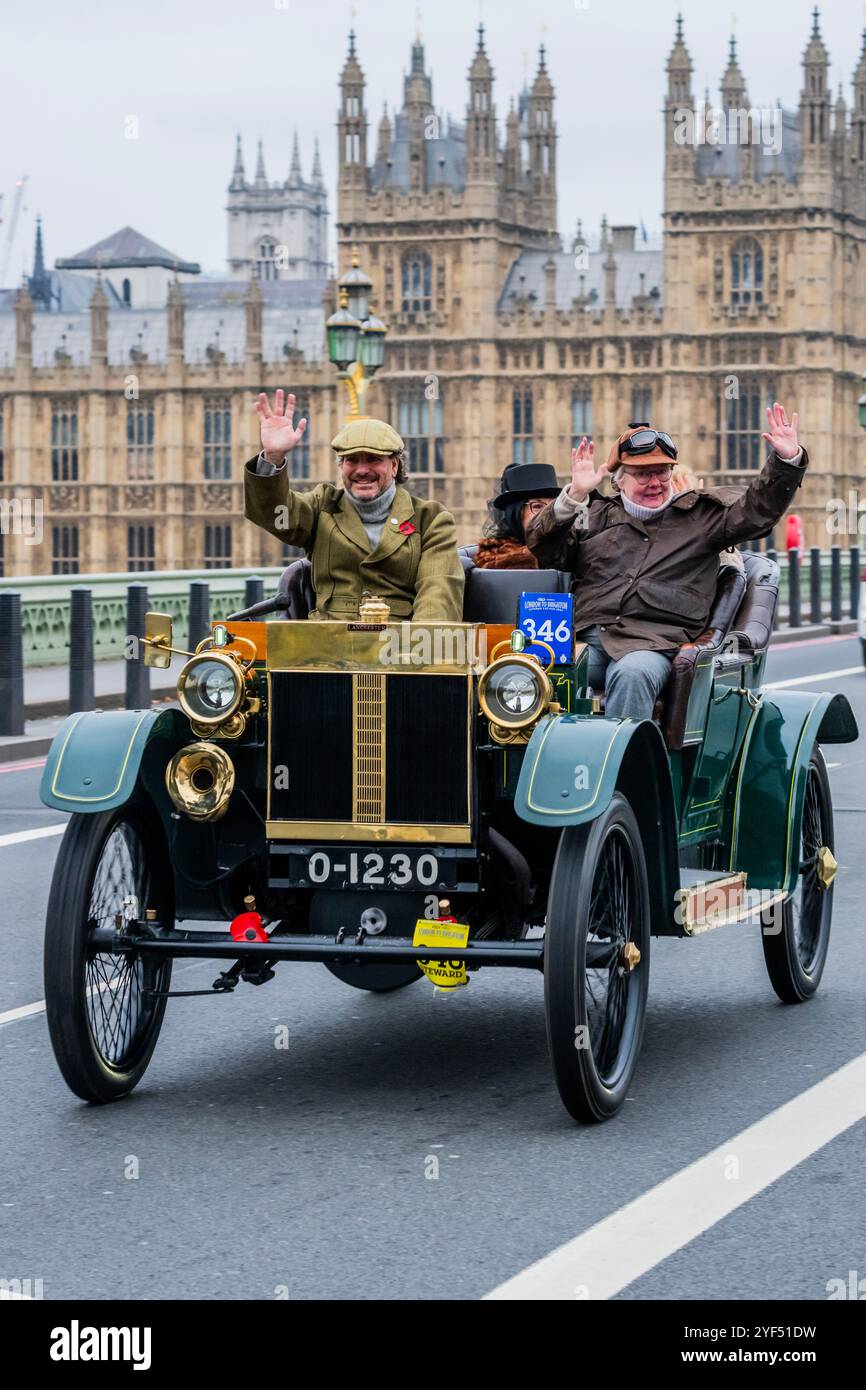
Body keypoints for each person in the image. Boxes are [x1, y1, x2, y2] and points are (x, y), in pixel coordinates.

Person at [526, 405, 807, 719]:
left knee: (631, 675)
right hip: (590, 639)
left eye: (662, 472)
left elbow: (758, 511)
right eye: (643, 474)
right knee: (531, 672)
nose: (655, 482)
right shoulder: (594, 514)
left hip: (654, 643)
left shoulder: (701, 517)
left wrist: (786, 461)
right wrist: (575, 494)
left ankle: (625, 767)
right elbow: (544, 548)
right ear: (619, 481)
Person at [244, 391, 464, 622]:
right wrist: (273, 457)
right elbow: (274, 515)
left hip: (396, 647)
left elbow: (438, 592)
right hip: (326, 645)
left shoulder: (430, 519)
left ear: (394, 466)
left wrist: (417, 650)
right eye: (352, 460)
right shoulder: (322, 507)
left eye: (373, 459)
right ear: (341, 466)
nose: (361, 470)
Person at [474, 463, 562, 569]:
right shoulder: (492, 553)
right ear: (516, 512)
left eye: (552, 506)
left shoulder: (566, 544)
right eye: (537, 506)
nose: (547, 513)